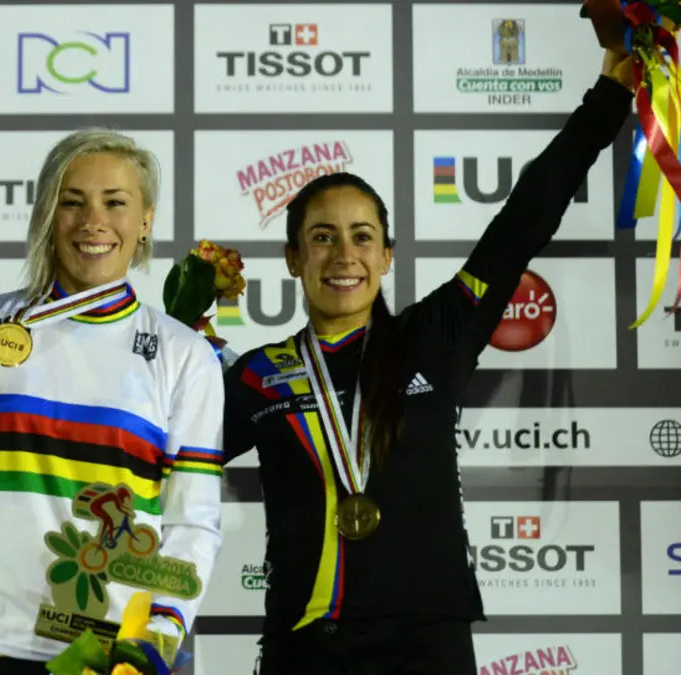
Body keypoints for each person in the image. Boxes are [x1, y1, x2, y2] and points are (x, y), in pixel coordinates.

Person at [221, 50, 636, 674]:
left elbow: (525, 218)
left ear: (387, 256)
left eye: (362, 237)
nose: (344, 255)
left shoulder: (436, 335)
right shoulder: (259, 374)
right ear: (293, 258)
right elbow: (160, 453)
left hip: (426, 641)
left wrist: (609, 93)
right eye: (322, 237)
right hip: (304, 644)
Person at [0, 128, 226, 674]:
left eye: (115, 203)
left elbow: (192, 521)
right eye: (72, 202)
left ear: (145, 220)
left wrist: (154, 641)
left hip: (109, 656)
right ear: (48, 216)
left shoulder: (184, 354)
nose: (93, 221)